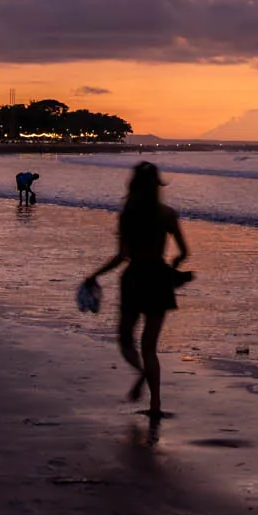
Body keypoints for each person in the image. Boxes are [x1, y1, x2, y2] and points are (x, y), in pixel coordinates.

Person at [84, 162, 189, 420]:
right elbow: (184, 252)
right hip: (160, 278)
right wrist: (174, 266)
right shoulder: (167, 214)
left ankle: (141, 373)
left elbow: (121, 256)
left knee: (126, 339)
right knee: (150, 346)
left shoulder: (128, 214)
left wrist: (94, 275)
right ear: (157, 184)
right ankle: (155, 406)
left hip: (135, 278)